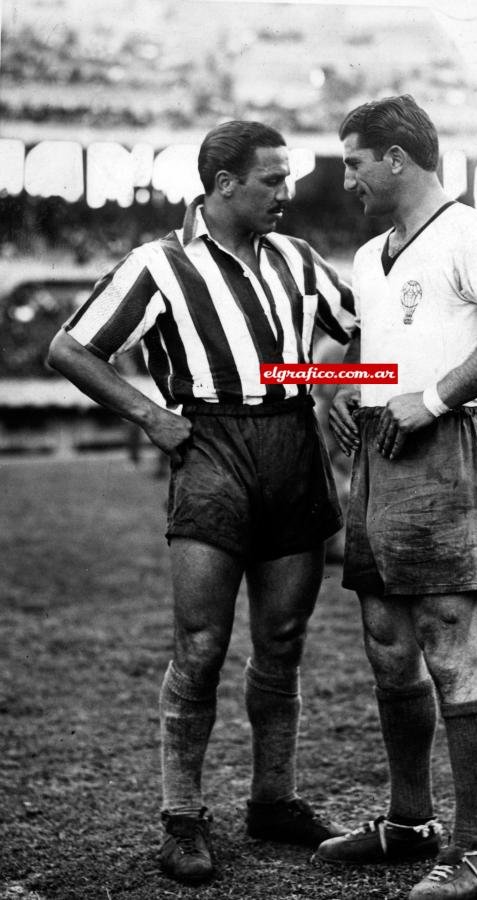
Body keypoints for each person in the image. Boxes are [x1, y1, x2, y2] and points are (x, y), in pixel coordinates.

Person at [47, 120, 357, 887]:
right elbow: (69, 348)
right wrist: (150, 415)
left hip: (291, 447)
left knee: (282, 637)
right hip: (209, 446)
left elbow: (351, 328)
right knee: (200, 644)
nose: (287, 194)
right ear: (224, 186)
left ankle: (273, 800)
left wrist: (329, 390)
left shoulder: (298, 257)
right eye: (272, 181)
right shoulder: (157, 265)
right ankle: (181, 816)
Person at [317, 95, 477, 900]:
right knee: (387, 644)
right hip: (377, 455)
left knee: (449, 648)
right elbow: (387, 355)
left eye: (354, 161)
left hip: (441, 452)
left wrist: (440, 396)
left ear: (396, 158)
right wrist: (339, 386)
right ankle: (409, 823)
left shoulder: (470, 231)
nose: (346, 177)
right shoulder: (370, 254)